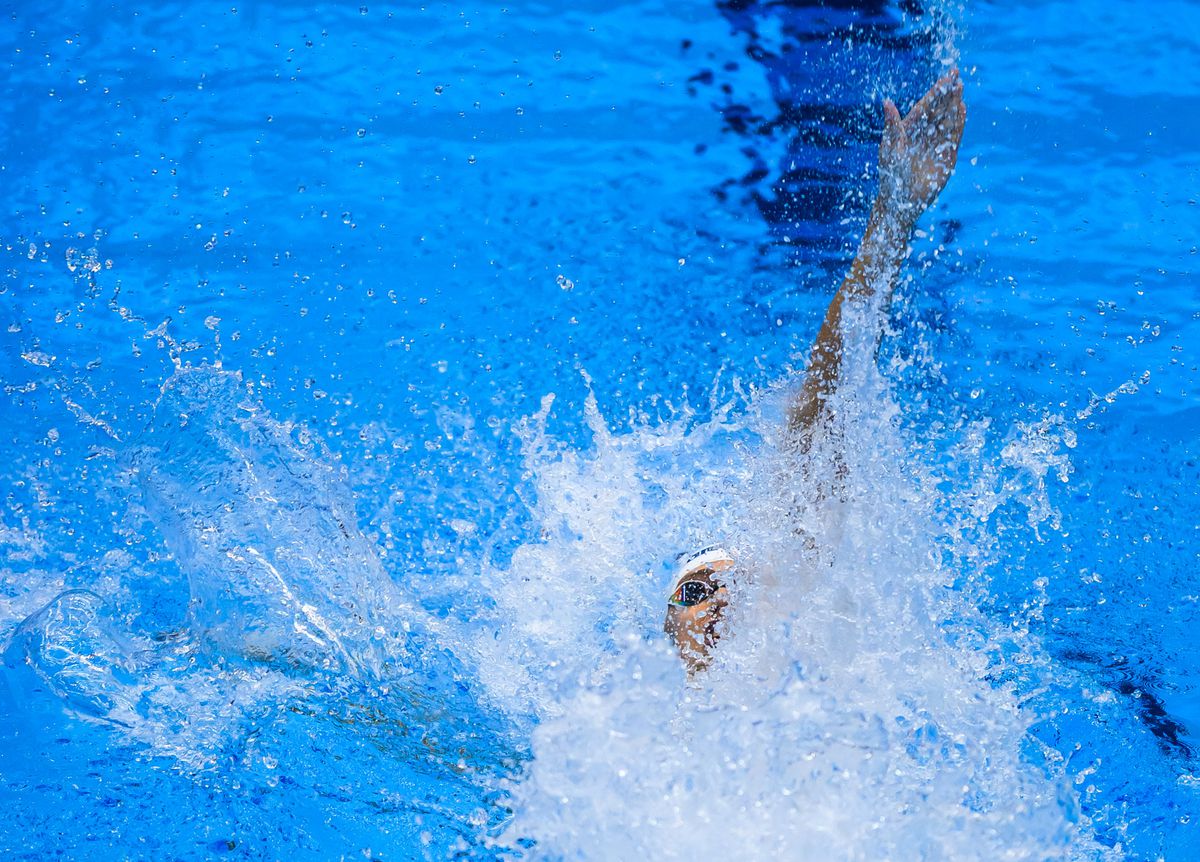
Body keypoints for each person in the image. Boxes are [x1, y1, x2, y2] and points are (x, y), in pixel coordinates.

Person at [664, 69, 967, 672]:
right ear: (666, 624)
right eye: (696, 590)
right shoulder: (621, 725)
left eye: (729, 583)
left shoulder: (803, 675)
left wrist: (893, 217)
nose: (719, 597)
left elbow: (827, 389)